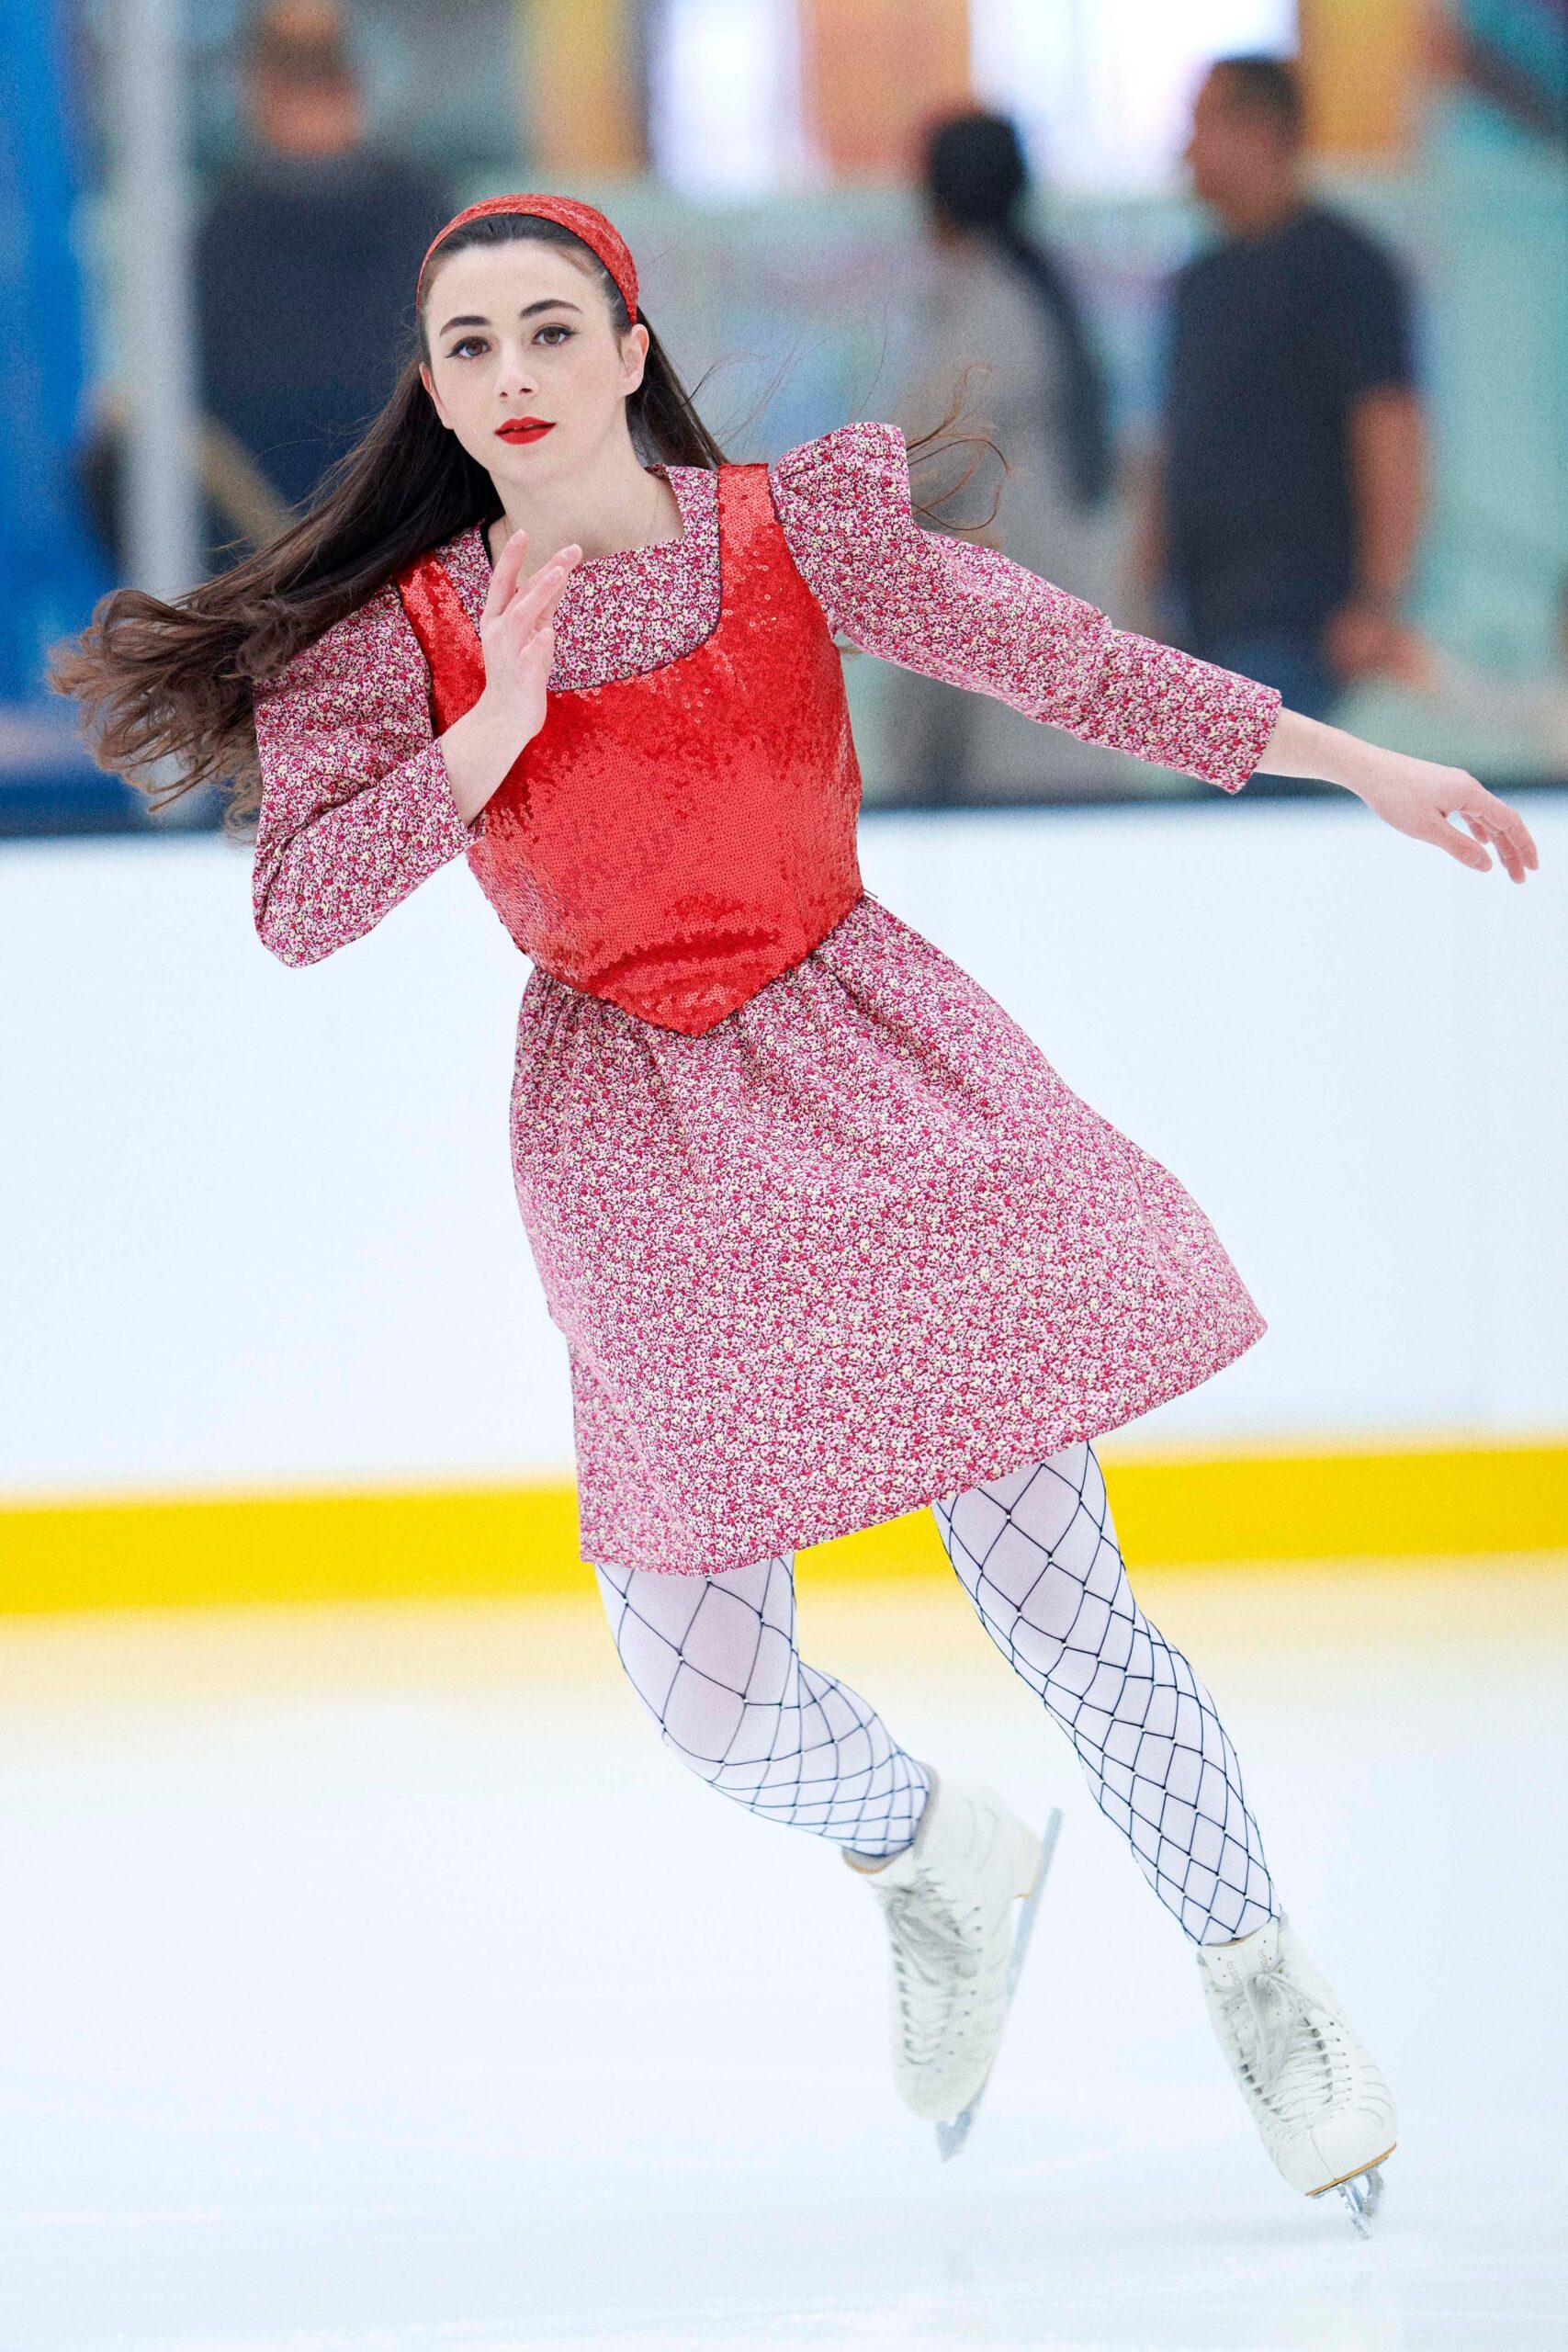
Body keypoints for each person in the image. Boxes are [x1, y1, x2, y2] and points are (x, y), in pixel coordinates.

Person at [53, 195, 1538, 2227]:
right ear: (431, 386)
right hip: (626, 1139)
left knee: (1061, 1598)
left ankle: (1261, 1981)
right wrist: (483, 732)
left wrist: (1339, 758)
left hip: (879, 1071)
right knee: (702, 1691)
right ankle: (935, 1850)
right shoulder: (397, 638)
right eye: (467, 346)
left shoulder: (785, 533)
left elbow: (1059, 658)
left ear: (625, 341)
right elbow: (300, 908)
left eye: (547, 331)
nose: (509, 377)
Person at [1139, 54, 1426, 726]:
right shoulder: (1197, 284)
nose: (1184, 149)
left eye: (1200, 124)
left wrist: (1378, 601)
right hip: (1199, 626)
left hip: (1302, 625)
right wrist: (1148, 590)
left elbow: (1389, 434)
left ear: (1260, 131)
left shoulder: (1347, 269)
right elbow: (1171, 443)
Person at [887, 109, 1123, 801]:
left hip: (1017, 639)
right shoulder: (1022, 297)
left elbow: (916, 465)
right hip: (1004, 636)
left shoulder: (993, 310)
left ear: (933, 202)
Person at [196, 0, 450, 526]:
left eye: (320, 67)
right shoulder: (228, 225)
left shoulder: (416, 211)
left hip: (396, 519)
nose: (309, 94)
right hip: (262, 536)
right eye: (294, 67)